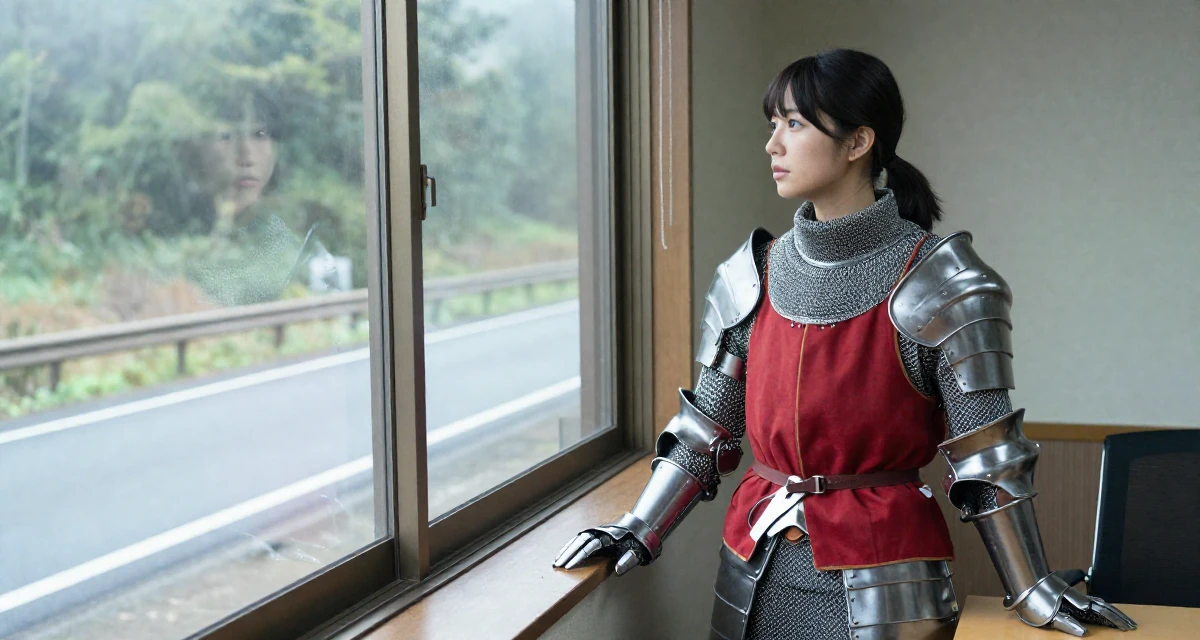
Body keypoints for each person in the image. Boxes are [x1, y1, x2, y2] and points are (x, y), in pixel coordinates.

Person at [553, 49, 1137, 639]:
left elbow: (988, 457)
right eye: (773, 124)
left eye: (795, 124)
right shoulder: (750, 274)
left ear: (858, 143)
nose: (772, 145)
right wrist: (638, 524)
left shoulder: (945, 284)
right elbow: (706, 428)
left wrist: (1031, 587)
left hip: (887, 589)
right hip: (753, 580)